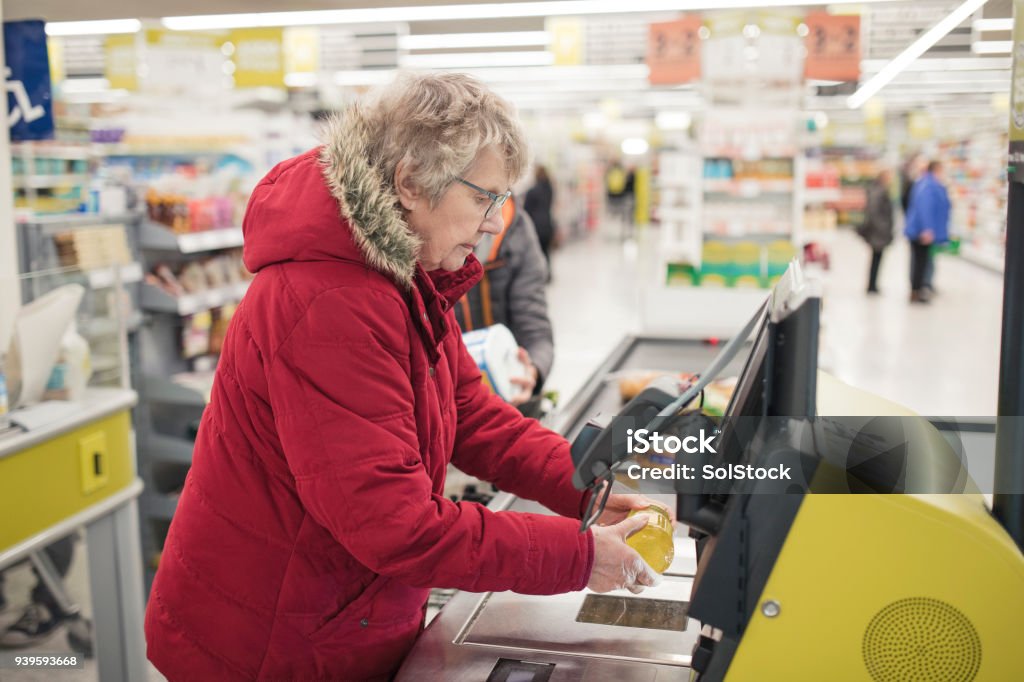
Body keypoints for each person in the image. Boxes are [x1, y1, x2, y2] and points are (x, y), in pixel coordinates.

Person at [144, 73, 665, 681]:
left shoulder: (398, 275)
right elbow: (394, 525)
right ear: (411, 183)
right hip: (270, 641)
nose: (497, 224)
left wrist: (588, 490)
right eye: (484, 198)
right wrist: (576, 557)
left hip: (336, 613)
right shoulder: (329, 300)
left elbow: (473, 414)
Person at [454, 196, 553, 412]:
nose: (494, 223)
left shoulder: (518, 231)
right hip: (450, 403)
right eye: (480, 197)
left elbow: (535, 329)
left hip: (509, 400)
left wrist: (530, 371)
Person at [904, 160, 951, 304]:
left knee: (922, 261)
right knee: (921, 262)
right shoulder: (928, 185)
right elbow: (925, 208)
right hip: (922, 232)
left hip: (922, 231)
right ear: (936, 169)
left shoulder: (927, 183)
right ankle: (919, 291)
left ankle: (919, 290)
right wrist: (927, 229)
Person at [857, 169, 894, 294]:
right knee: (876, 258)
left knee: (876, 258)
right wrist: (882, 228)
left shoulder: (876, 190)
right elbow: (874, 212)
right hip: (878, 232)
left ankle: (873, 284)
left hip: (877, 231)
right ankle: (872, 285)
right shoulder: (879, 191)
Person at [523, 164, 555, 271]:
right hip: (548, 224)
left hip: (537, 226)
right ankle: (548, 272)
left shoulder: (532, 191)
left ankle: (541, 272)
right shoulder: (549, 189)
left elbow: (526, 210)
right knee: (546, 252)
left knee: (538, 252)